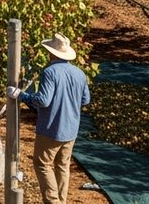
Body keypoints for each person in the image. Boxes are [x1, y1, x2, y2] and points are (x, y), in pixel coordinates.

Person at [7, 33, 90, 204]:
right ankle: (61, 200)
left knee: (42, 164)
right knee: (62, 165)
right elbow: (85, 100)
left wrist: (20, 95)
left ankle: (53, 202)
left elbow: (42, 101)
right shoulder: (79, 74)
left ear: (52, 53)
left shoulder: (50, 72)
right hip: (71, 129)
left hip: (51, 129)